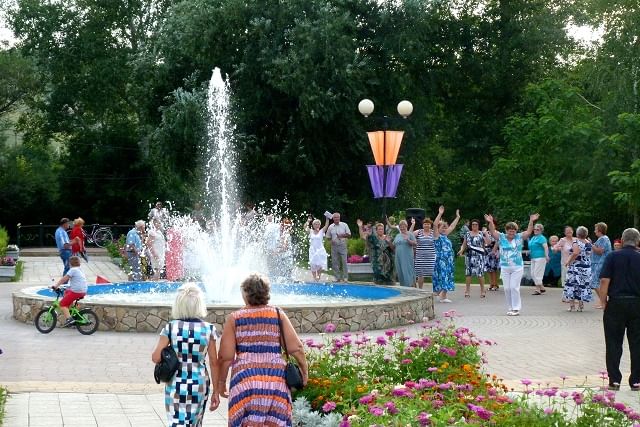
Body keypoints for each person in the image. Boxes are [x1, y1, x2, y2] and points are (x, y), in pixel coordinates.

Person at [217, 274, 308, 426]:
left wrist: (221, 383)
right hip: (277, 382)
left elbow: (225, 357)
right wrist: (304, 371)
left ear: (245, 294)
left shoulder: (235, 318)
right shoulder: (278, 315)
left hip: (244, 381)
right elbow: (296, 348)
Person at [152, 283, 219, 426]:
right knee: (195, 422)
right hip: (199, 383)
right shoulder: (208, 329)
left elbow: (156, 357)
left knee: (176, 421)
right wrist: (216, 391)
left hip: (176, 383)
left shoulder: (171, 327)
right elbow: (214, 362)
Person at [599, 227, 640, 391]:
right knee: (637, 343)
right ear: (637, 241)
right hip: (637, 304)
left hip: (616, 303)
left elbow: (604, 281)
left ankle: (614, 380)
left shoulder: (612, 256)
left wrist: (603, 302)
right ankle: (636, 381)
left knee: (613, 343)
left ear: (622, 241)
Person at [485, 213, 538, 316]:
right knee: (507, 288)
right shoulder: (501, 237)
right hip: (505, 267)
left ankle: (516, 308)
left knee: (514, 287)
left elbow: (528, 232)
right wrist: (490, 222)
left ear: (516, 231)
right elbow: (492, 231)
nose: (511, 232)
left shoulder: (519, 237)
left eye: (513, 231)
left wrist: (531, 220)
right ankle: (510, 307)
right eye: (510, 230)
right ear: (506, 230)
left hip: (517, 267)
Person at [432, 206, 461, 303]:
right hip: (441, 261)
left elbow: (452, 226)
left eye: (445, 227)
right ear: (439, 228)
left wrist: (457, 217)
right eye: (442, 227)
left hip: (448, 261)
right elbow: (435, 225)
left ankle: (441, 295)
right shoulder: (437, 236)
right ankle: (442, 296)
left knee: (446, 276)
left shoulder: (445, 235)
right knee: (443, 277)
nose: (444, 229)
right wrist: (440, 213)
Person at [562, 226, 593, 312]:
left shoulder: (576, 242)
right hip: (586, 268)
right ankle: (581, 305)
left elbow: (575, 252)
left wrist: (568, 261)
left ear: (577, 234)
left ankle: (572, 306)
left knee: (571, 285)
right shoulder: (589, 242)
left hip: (576, 267)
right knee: (582, 286)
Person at [52, 256, 88, 327]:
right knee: (67, 292)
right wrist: (65, 287)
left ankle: (70, 319)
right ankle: (72, 311)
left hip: (76, 291)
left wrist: (56, 286)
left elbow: (64, 279)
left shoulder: (73, 270)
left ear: (69, 263)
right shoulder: (79, 269)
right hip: (83, 291)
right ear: (79, 263)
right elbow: (76, 282)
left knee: (62, 304)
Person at [357, 219, 394, 285]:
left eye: (382, 229)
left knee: (388, 281)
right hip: (377, 263)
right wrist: (360, 226)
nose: (381, 230)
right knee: (378, 280)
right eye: (379, 229)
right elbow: (362, 237)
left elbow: (393, 249)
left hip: (388, 264)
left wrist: (389, 242)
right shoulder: (373, 238)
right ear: (376, 230)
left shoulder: (388, 237)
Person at [458, 219, 489, 298]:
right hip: (469, 256)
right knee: (468, 274)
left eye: (476, 224)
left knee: (480, 274)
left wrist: (486, 234)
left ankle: (482, 291)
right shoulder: (467, 234)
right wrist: (461, 251)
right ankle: (467, 291)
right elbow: (464, 244)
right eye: (473, 224)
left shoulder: (482, 234)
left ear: (478, 226)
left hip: (479, 257)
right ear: (471, 226)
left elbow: (488, 243)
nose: (474, 226)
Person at [390, 219, 417, 287]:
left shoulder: (410, 234)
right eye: (401, 226)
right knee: (400, 272)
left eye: (403, 226)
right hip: (398, 257)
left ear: (406, 226)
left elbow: (415, 243)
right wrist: (389, 242)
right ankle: (404, 288)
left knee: (407, 271)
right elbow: (393, 247)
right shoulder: (397, 235)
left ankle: (411, 287)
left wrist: (408, 240)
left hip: (407, 257)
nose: (402, 227)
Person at [591, 222, 612, 308]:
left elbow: (600, 251)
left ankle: (604, 302)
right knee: (598, 283)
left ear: (600, 230)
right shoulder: (603, 238)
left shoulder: (603, 238)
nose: (594, 231)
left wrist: (590, 244)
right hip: (598, 263)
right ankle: (603, 301)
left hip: (601, 263)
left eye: (596, 229)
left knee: (594, 282)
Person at [326, 212, 351, 282]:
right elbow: (328, 237)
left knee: (344, 261)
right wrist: (331, 241)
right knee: (335, 262)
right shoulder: (330, 227)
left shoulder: (344, 225)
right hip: (334, 246)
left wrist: (342, 235)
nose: (336, 218)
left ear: (339, 218)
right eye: (335, 217)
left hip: (343, 245)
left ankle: (345, 277)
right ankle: (337, 277)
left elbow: (349, 234)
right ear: (333, 218)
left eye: (338, 217)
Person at [306, 216, 330, 281]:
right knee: (313, 263)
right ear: (313, 225)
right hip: (312, 250)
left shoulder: (322, 231)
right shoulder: (311, 231)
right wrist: (308, 221)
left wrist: (327, 219)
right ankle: (314, 277)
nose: (316, 225)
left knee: (319, 264)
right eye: (315, 224)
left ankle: (318, 277)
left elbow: (326, 225)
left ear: (319, 225)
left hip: (320, 250)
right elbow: (305, 227)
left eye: (318, 224)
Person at [414, 218, 436, 289]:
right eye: (425, 224)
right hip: (420, 257)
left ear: (431, 225)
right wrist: (413, 224)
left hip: (431, 257)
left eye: (428, 224)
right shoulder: (418, 232)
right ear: (422, 225)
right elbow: (410, 234)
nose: (426, 225)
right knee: (420, 275)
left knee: (434, 274)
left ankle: (435, 290)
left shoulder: (434, 232)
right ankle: (420, 290)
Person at [528, 223, 549, 295]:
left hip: (540, 257)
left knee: (537, 273)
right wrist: (529, 251)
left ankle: (538, 289)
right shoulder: (533, 238)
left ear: (541, 231)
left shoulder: (542, 238)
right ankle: (542, 287)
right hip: (533, 257)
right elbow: (532, 246)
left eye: (538, 229)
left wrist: (547, 256)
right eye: (535, 229)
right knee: (532, 273)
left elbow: (545, 247)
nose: (535, 230)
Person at [484, 226, 500, 291]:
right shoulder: (486, 232)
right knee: (489, 269)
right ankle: (491, 284)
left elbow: (498, 242)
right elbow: (485, 242)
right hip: (487, 252)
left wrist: (494, 250)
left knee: (494, 269)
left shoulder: (497, 233)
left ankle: (495, 284)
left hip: (494, 253)